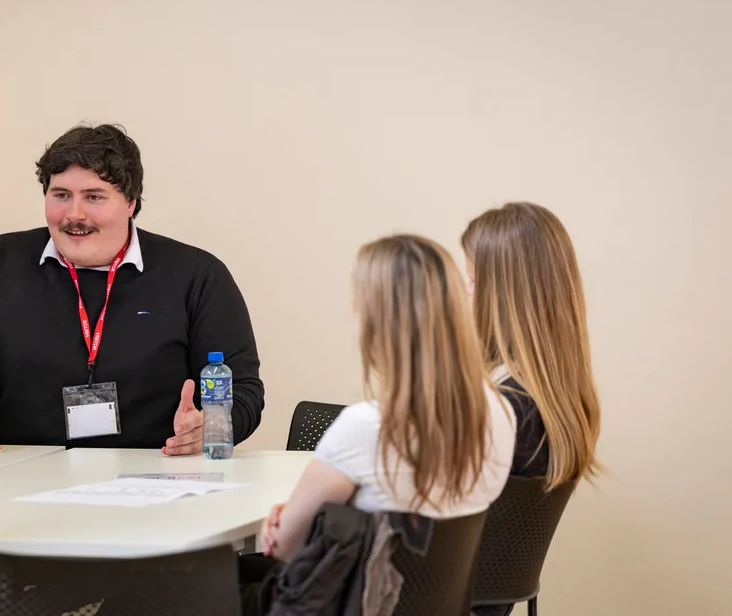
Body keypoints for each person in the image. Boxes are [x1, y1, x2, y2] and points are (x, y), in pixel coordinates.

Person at [0, 123, 265, 614]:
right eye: (60, 194)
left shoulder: (196, 275)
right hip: (12, 496)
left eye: (94, 197)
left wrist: (211, 424)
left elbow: (244, 389)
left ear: (132, 203)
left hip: (150, 506)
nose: (74, 214)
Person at [244, 235, 516, 614]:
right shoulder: (501, 413)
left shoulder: (367, 427)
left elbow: (285, 547)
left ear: (378, 323)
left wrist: (285, 522)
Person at [462, 202, 602, 616]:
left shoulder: (505, 409)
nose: (465, 290)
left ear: (502, 293)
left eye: (471, 279)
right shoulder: (556, 404)